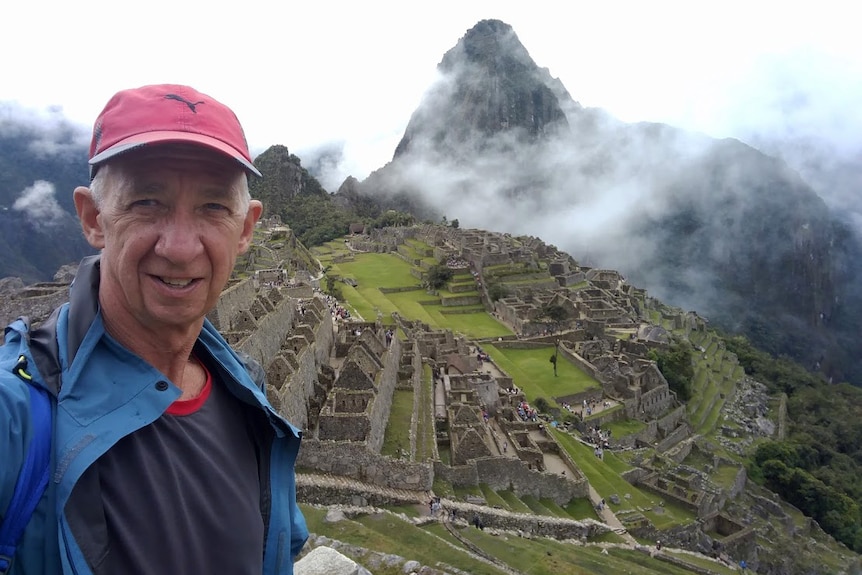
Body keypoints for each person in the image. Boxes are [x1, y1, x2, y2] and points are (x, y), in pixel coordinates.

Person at [0, 84, 308, 574]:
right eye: (147, 202)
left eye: (213, 207)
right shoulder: (16, 416)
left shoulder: (250, 401)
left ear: (246, 228)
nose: (181, 248)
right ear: (93, 218)